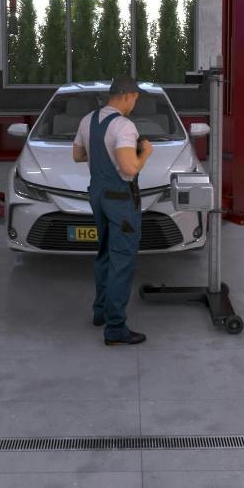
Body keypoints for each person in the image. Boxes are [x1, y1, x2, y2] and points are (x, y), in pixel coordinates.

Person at [72, 76, 152, 345]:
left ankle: (100, 311)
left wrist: (103, 152)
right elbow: (130, 168)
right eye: (135, 99)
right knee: (123, 260)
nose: (134, 104)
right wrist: (145, 152)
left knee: (105, 252)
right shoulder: (124, 126)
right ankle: (116, 327)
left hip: (98, 195)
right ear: (128, 96)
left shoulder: (88, 120)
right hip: (120, 200)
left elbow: (78, 155)